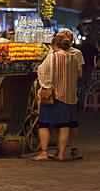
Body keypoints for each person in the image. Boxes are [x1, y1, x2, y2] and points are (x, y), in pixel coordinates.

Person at [33, 34, 82, 162]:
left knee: (44, 124)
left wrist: (45, 86)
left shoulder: (53, 56)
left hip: (54, 96)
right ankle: (61, 154)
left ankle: (44, 152)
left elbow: (43, 72)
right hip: (69, 97)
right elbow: (77, 75)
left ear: (54, 44)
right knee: (64, 125)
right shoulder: (73, 57)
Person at [48, 29, 84, 160]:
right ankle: (63, 149)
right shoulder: (72, 54)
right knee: (65, 123)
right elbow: (80, 73)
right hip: (69, 91)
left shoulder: (73, 54)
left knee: (69, 123)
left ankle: (71, 148)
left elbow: (79, 73)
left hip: (65, 91)